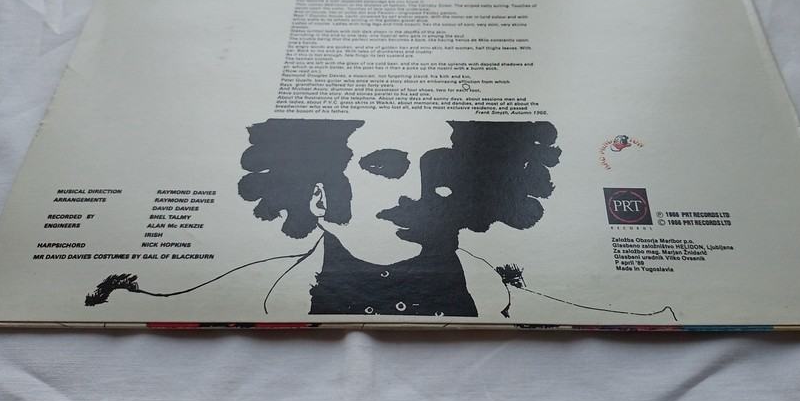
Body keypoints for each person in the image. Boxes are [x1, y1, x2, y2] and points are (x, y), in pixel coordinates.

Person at [238, 118, 561, 317]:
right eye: (384, 167)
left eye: (441, 168)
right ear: (319, 196)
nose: (416, 192)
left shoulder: (531, 305)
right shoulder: (245, 296)